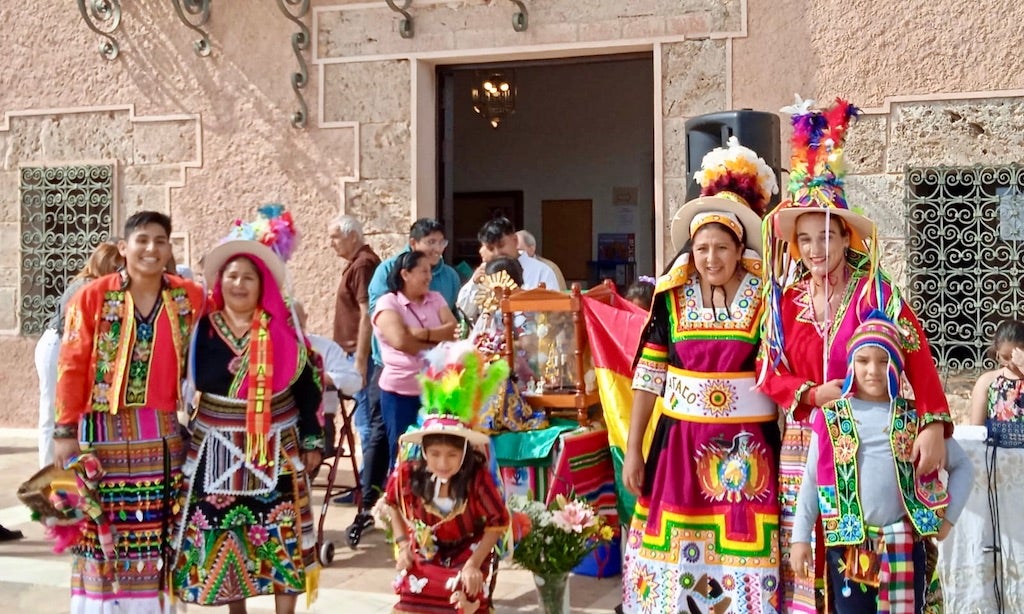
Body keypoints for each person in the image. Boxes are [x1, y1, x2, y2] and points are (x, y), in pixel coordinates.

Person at [759, 98, 952, 613]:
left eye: (826, 235)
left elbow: (918, 357)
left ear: (846, 235)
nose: (816, 248)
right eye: (804, 239)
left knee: (869, 565)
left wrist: (933, 424)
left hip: (870, 437)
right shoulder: (783, 302)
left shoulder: (876, 293)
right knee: (809, 555)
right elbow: (769, 371)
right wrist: (806, 393)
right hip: (807, 439)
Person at [620, 138, 782, 613]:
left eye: (721, 248)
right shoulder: (670, 300)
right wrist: (634, 450)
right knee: (673, 554)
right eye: (701, 248)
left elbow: (782, 374)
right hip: (677, 448)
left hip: (749, 451)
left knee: (743, 557)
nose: (711, 258)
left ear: (740, 249)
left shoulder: (766, 299)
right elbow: (649, 378)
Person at [173, 206, 324, 613]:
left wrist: (312, 439)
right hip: (216, 445)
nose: (239, 283)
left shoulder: (282, 330)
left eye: (248, 277)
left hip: (276, 445)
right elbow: (190, 379)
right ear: (220, 281)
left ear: (262, 286)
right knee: (228, 535)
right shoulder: (202, 328)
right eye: (232, 275)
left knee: (280, 534)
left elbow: (308, 386)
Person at [53, 210, 204, 612]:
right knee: (103, 530)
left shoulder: (189, 298)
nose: (151, 249)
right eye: (142, 240)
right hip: (103, 437)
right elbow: (72, 363)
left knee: (159, 533)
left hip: (162, 436)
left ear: (170, 248)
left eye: (160, 241)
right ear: (124, 248)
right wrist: (64, 432)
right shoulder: (92, 297)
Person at [790, 313, 973, 614]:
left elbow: (963, 467)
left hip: (904, 545)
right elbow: (811, 481)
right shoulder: (831, 416)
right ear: (851, 364)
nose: (872, 370)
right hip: (849, 548)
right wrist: (800, 539)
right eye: (863, 360)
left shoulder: (914, 419)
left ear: (898, 367)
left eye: (883, 361)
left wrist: (947, 521)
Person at [382, 342, 511, 613]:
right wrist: (403, 543)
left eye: (452, 455)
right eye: (435, 454)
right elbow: (391, 503)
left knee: (463, 599)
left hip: (468, 552)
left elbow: (497, 523)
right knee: (411, 598)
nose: (443, 463)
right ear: (424, 452)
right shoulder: (408, 475)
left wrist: (474, 563)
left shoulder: (476, 479)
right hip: (425, 551)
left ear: (464, 452)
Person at [34, 241, 123, 468]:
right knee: (52, 410)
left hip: (59, 344)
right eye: (117, 266)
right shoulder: (86, 285)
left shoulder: (91, 284)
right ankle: (48, 469)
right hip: (57, 344)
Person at [328, 214, 388, 515]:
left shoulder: (363, 264)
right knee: (362, 421)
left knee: (366, 424)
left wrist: (361, 359)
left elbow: (367, 314)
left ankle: (368, 490)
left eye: (335, 236)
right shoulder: (356, 263)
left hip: (358, 355)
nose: (331, 243)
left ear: (352, 236)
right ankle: (364, 486)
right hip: (351, 355)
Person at [375, 250, 457, 467]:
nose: (429, 277)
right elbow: (401, 341)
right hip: (401, 392)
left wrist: (423, 334)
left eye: (430, 271)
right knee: (403, 453)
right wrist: (435, 342)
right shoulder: (388, 304)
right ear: (405, 274)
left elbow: (453, 330)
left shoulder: (436, 298)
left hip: (435, 391)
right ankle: (401, 497)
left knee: (433, 452)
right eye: (423, 271)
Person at [457, 218, 559, 322]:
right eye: (491, 249)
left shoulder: (541, 270)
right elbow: (464, 312)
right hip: (490, 335)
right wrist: (474, 282)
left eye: (501, 246)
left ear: (515, 240)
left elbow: (555, 311)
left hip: (530, 335)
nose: (497, 253)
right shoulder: (483, 273)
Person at [969, 319, 1024, 424]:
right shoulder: (987, 382)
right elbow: (976, 428)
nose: (1012, 363)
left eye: (1015, 356)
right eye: (1005, 357)